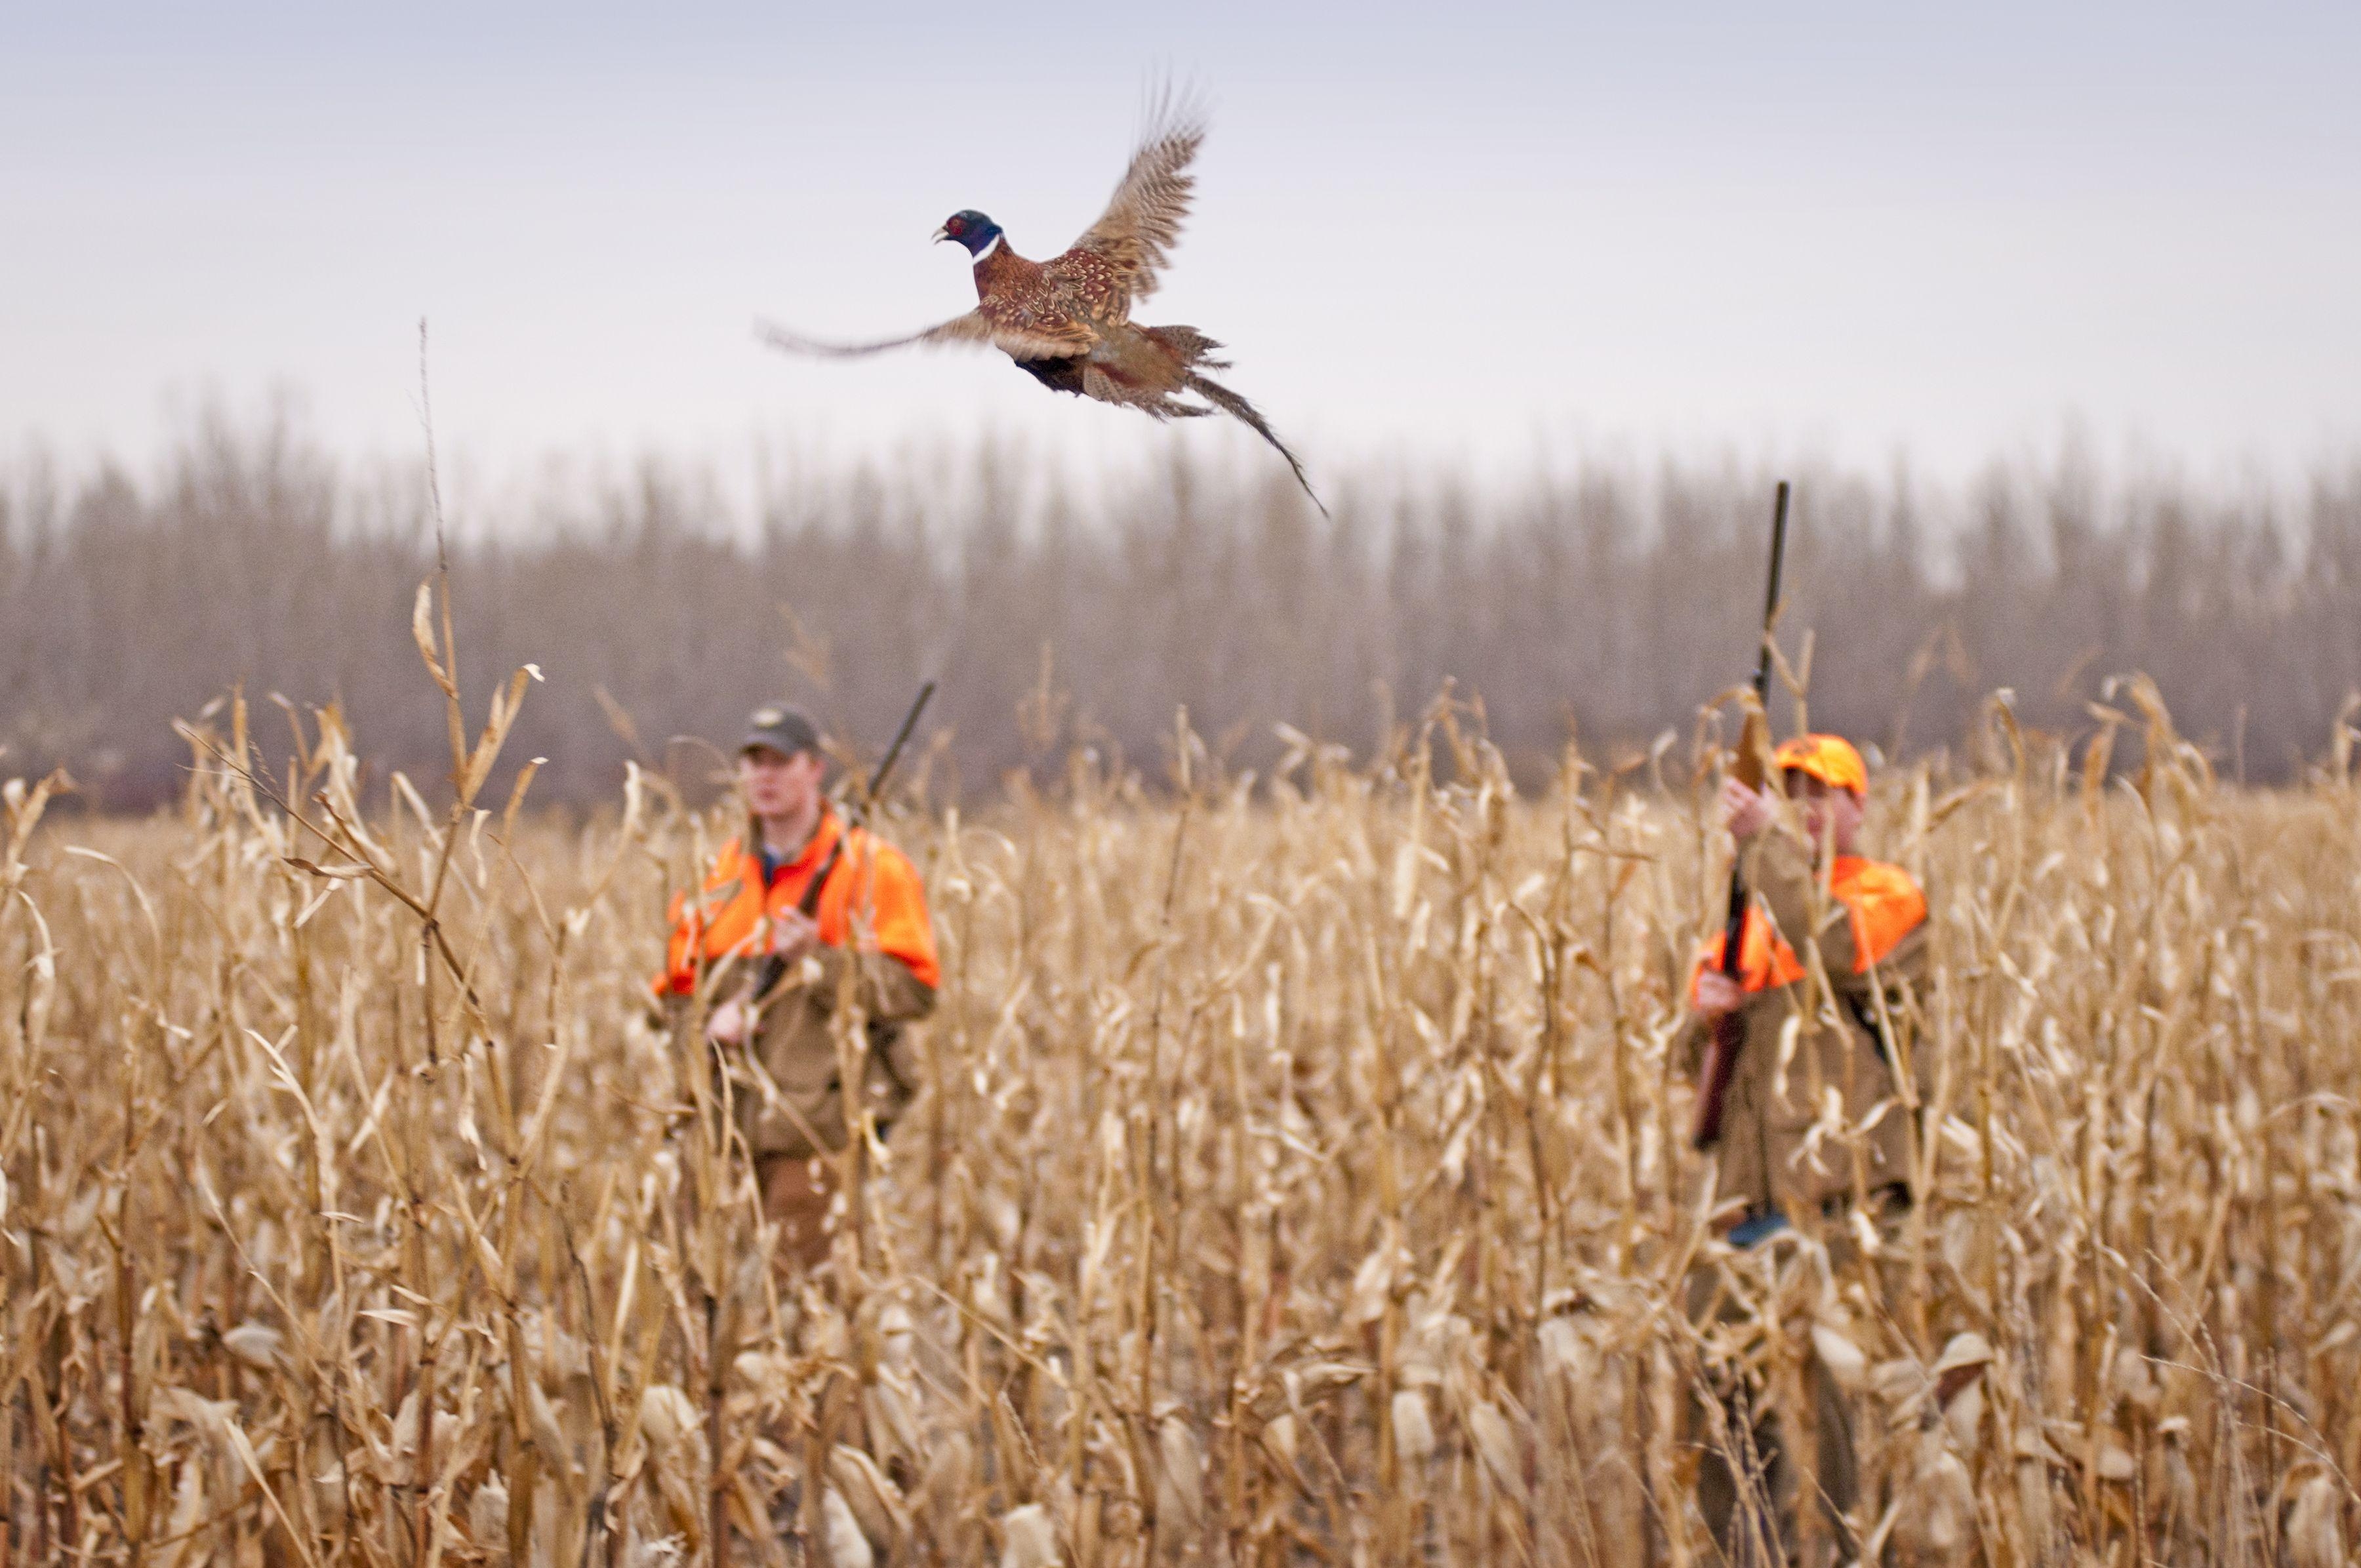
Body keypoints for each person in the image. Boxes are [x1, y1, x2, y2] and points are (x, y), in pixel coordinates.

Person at [1678, 732, 1931, 1563]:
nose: (1811, 809)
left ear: (1861, 807)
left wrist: (1761, 843)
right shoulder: (1753, 913)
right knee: (1718, 1414)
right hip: (1747, 1215)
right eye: (1793, 794)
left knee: (1838, 1433)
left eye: (1825, 793)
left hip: (1841, 1219)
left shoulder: (1888, 901)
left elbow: (1830, 949)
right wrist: (1704, 1011)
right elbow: (1697, 1065)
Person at [655, 704, 939, 1274]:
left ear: (815, 769)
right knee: (696, 1288)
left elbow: (915, 993)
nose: (765, 775)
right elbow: (673, 997)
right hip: (720, 1129)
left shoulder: (873, 869)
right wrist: (712, 1020)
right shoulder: (715, 876)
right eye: (754, 761)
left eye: (780, 761)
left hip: (817, 1132)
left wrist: (822, 960)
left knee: (803, 1304)